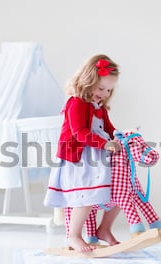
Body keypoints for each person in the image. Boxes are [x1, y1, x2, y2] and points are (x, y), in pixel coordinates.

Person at [44, 54, 121, 252]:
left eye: (109, 90)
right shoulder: (76, 102)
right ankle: (74, 236)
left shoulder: (100, 108)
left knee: (121, 192)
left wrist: (122, 138)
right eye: (101, 88)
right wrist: (104, 144)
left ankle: (104, 229)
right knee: (85, 197)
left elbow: (111, 130)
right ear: (88, 81)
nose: (104, 93)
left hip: (97, 160)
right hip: (78, 160)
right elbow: (80, 133)